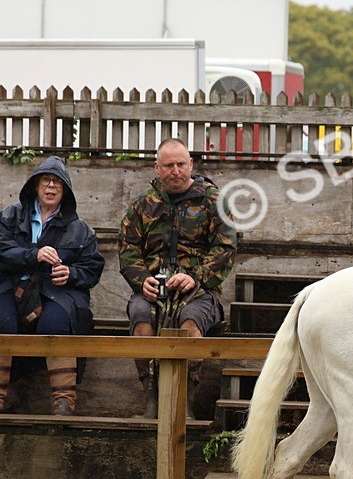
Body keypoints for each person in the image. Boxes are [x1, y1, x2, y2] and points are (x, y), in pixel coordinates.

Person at [119, 137, 237, 418]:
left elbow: (226, 248)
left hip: (199, 291)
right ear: (156, 168)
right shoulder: (142, 206)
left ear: (191, 164)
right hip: (152, 289)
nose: (176, 171)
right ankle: (151, 400)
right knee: (140, 316)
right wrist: (142, 280)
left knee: (191, 322)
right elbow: (127, 249)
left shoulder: (213, 201)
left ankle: (184, 402)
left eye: (181, 164)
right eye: (169, 165)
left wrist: (196, 278)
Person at [0, 157, 105, 415]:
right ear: (35, 186)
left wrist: (70, 273)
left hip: (55, 292)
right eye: (46, 180)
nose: (51, 186)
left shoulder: (80, 230)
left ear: (65, 191)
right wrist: (32, 255)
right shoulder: (10, 216)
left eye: (57, 182)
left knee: (56, 323)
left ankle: (64, 402)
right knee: (2, 321)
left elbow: (93, 268)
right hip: (11, 287)